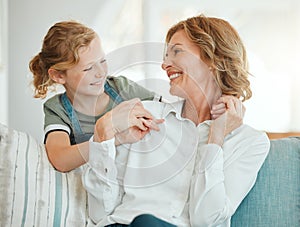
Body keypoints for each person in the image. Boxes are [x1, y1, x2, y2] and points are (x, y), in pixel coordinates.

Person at [82, 14, 270, 227]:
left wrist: (215, 138)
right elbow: (100, 213)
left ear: (213, 60)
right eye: (165, 55)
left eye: (177, 52)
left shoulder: (250, 142)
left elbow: (207, 221)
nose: (164, 64)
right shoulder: (145, 116)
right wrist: (102, 133)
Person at [29, 20, 166, 172]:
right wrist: (113, 138)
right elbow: (61, 160)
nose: (101, 72)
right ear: (58, 75)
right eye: (88, 68)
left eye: (103, 61)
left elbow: (168, 112)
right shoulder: (58, 109)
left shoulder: (121, 87)